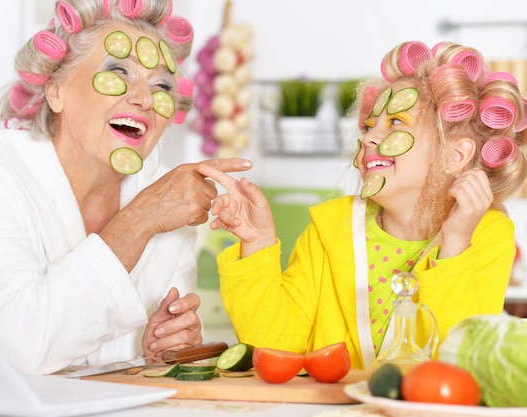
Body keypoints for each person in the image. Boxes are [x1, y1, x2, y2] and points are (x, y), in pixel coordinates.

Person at [0, 0, 252, 375]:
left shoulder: (168, 198)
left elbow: (151, 356)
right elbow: (13, 350)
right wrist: (143, 218)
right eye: (118, 71)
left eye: (161, 85)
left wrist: (163, 348)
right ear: (56, 91)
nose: (143, 98)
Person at [198, 40, 527, 370]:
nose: (369, 138)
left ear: (455, 155)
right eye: (369, 126)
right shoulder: (331, 226)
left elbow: (462, 363)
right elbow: (275, 344)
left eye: (396, 123)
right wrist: (256, 244)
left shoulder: (486, 235)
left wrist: (455, 246)